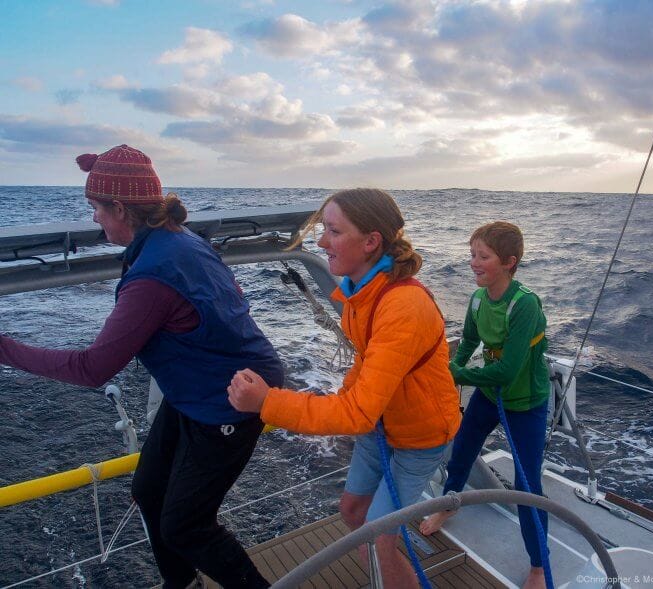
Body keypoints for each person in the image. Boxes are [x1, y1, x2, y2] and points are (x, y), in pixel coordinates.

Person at [0, 145, 283, 589]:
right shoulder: (178, 235)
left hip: (228, 402)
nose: (93, 218)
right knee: (149, 490)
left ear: (120, 208)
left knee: (186, 526)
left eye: (96, 208)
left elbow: (92, 368)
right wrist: (103, 169)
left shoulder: (153, 276)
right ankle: (182, 584)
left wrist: (5, 348)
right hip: (197, 391)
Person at [228, 188, 461, 589]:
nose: (320, 242)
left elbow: (356, 413)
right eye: (322, 230)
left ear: (371, 242)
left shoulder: (402, 306)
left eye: (333, 231)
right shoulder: (361, 293)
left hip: (418, 439)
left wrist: (268, 401)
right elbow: (365, 367)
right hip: (381, 428)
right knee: (353, 510)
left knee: (378, 535)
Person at [419, 221, 550, 589]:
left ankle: (539, 567)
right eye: (472, 254)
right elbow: (468, 343)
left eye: (483, 256)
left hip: (525, 404)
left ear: (509, 262)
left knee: (528, 485)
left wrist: (457, 374)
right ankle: (449, 504)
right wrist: (454, 369)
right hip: (490, 396)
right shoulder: (477, 299)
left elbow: (507, 371)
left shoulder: (524, 304)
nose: (474, 262)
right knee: (461, 452)